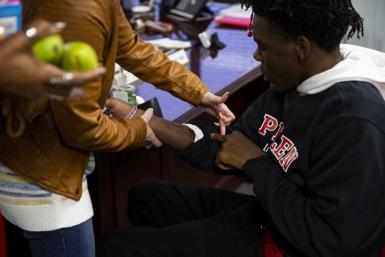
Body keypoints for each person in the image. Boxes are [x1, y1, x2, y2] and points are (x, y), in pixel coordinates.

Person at [97, 0, 385, 256]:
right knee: (146, 198)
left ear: (300, 48)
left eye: (263, 47)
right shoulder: (294, 81)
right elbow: (226, 147)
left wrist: (256, 164)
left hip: (293, 243)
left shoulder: (353, 120)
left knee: (119, 246)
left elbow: (336, 242)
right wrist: (138, 115)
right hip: (276, 212)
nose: (257, 57)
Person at [0, 1, 235, 257]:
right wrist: (138, 129)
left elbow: (132, 48)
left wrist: (198, 93)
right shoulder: (78, 8)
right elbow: (83, 128)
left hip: (53, 164)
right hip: (45, 179)